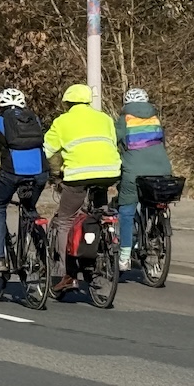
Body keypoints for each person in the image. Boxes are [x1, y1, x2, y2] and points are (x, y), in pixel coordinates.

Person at [43, 83, 122, 291]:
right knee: (100, 211)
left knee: (64, 220)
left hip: (78, 176)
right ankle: (104, 244)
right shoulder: (104, 118)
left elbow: (48, 150)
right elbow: (111, 143)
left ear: (68, 102)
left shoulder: (62, 121)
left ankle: (65, 273)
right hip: (109, 172)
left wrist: (53, 172)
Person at [0, 88, 48, 272]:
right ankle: (45, 258)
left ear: (1, 105)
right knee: (29, 208)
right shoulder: (34, 119)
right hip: (40, 173)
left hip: (12, 173)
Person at [114, 87, 173, 272]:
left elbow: (113, 140)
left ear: (126, 103)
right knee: (152, 202)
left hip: (134, 171)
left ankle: (124, 257)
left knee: (126, 211)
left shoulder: (125, 120)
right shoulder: (155, 119)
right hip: (163, 171)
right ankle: (154, 236)